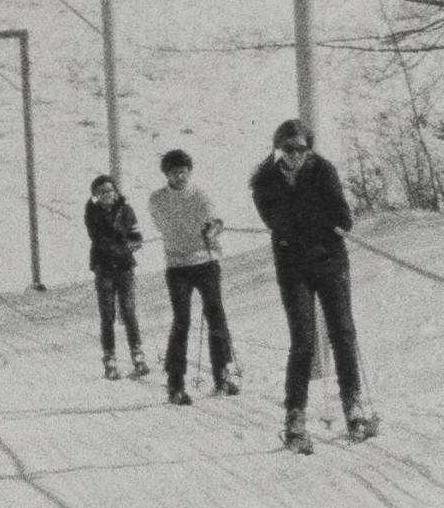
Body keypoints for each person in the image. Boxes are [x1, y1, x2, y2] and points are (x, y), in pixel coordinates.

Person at [249, 117, 375, 453]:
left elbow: (343, 217)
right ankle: (295, 413)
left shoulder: (324, 171)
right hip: (293, 265)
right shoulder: (265, 181)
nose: (294, 155)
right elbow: (276, 222)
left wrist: (309, 224)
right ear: (279, 149)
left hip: (330, 260)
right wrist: (310, 221)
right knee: (303, 338)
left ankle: (353, 403)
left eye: (301, 149)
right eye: (288, 149)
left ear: (310, 148)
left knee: (342, 332)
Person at [146, 149, 237, 406]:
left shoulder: (200, 196)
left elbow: (215, 222)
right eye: (175, 173)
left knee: (216, 314)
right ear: (167, 174)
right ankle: (175, 383)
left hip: (206, 262)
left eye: (183, 172)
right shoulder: (157, 199)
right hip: (177, 266)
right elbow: (162, 225)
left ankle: (222, 373)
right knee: (182, 320)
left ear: (189, 171)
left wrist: (214, 229)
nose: (180, 177)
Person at [84, 174, 150, 379]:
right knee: (108, 314)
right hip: (103, 267)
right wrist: (120, 247)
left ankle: (137, 354)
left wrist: (132, 245)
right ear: (95, 195)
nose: (107, 195)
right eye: (102, 192)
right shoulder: (92, 213)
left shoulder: (126, 210)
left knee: (129, 311)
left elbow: (137, 237)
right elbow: (98, 238)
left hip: (124, 268)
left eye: (110, 190)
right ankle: (110, 357)